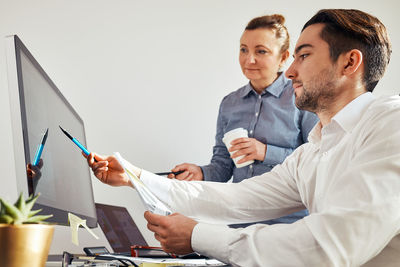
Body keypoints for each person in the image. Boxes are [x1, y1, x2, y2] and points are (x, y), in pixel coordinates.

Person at [86, 9, 400, 266]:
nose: (290, 72)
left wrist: (198, 236)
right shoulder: (312, 152)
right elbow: (236, 197)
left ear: (349, 62)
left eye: (303, 56)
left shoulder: (391, 122)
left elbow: (326, 246)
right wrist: (135, 176)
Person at [168, 14, 319, 225]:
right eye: (243, 49)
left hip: (289, 225)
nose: (249, 59)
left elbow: (318, 160)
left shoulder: (301, 97)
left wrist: (265, 152)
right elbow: (222, 166)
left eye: (261, 51)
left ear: (284, 58)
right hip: (238, 222)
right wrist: (200, 172)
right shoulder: (230, 103)